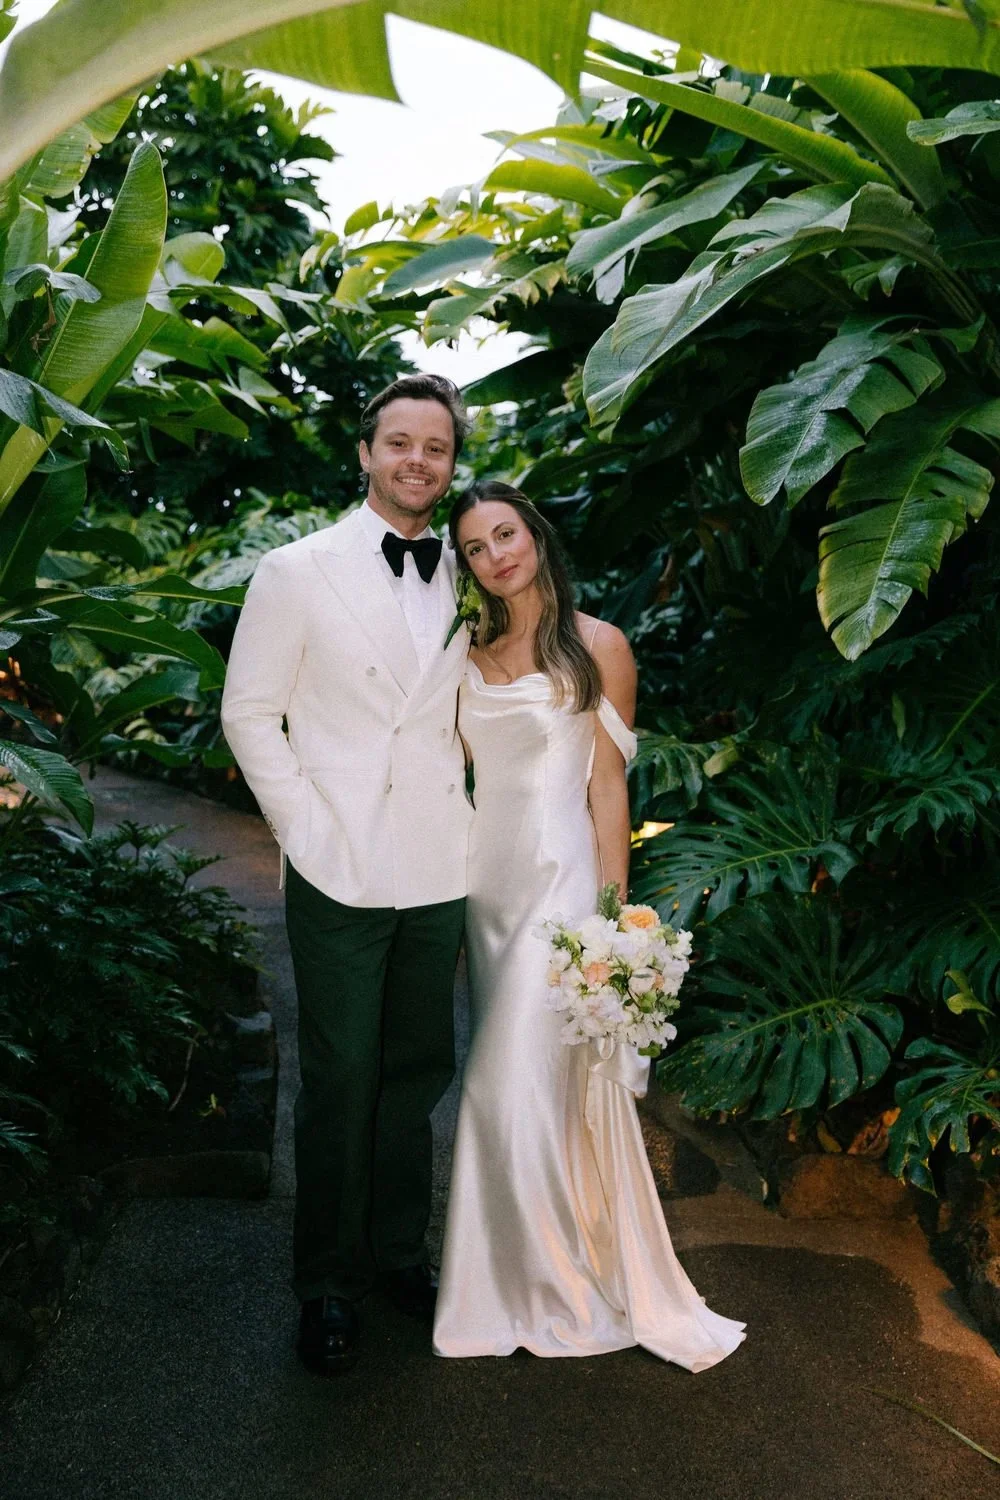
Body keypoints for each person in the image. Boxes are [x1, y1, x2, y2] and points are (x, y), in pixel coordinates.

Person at [433, 481, 746, 1370]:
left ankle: (545, 1289)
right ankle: (523, 1272)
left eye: (507, 534)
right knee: (534, 1085)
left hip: (563, 885)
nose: (498, 555)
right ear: (468, 567)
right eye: (478, 548)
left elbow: (609, 787)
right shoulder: (463, 647)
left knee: (502, 1085)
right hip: (483, 888)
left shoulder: (600, 644)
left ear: (535, 533)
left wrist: (614, 921)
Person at [221, 374, 473, 1376]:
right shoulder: (295, 571)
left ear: (453, 467)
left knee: (416, 1073)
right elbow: (249, 712)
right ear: (365, 453)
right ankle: (326, 1282)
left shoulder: (471, 572)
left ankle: (398, 1254)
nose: (418, 460)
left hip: (438, 863)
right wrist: (306, 832)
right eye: (399, 442)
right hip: (336, 867)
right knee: (340, 1077)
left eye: (438, 448)